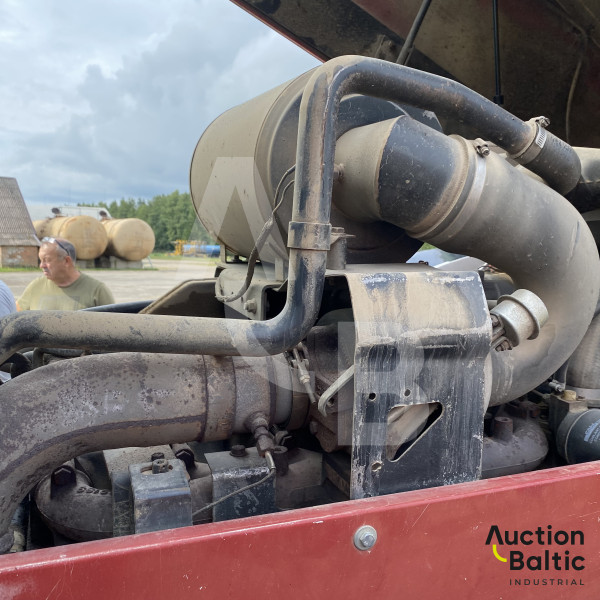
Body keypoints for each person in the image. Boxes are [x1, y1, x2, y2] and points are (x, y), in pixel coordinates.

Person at [17, 237, 115, 311]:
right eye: (41, 260)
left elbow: (113, 325)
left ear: (66, 261)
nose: (41, 266)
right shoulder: (35, 287)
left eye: (47, 260)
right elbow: (15, 316)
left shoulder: (97, 291)